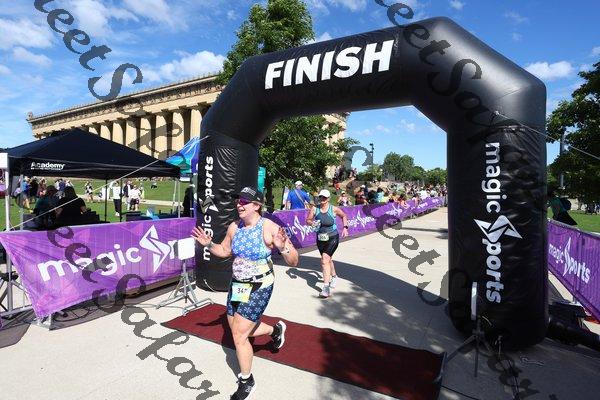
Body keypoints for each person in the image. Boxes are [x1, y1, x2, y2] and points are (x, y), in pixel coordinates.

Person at [192, 187, 299, 400]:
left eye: (244, 201)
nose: (239, 205)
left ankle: (247, 381)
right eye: (238, 201)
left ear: (256, 205)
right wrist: (209, 244)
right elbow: (224, 250)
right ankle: (275, 331)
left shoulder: (269, 227)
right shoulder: (235, 227)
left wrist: (283, 248)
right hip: (238, 285)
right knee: (239, 330)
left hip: (260, 286)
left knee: (239, 334)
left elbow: (294, 261)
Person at [306, 189, 349, 298]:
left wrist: (345, 227)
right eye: (321, 197)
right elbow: (308, 220)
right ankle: (334, 276)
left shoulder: (333, 209)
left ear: (328, 198)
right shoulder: (315, 209)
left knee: (324, 260)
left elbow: (344, 216)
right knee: (328, 259)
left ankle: (326, 288)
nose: (322, 199)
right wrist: (312, 223)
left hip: (332, 237)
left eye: (324, 197)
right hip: (320, 238)